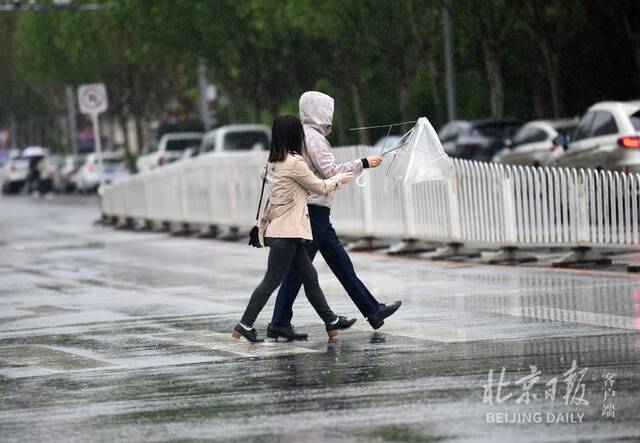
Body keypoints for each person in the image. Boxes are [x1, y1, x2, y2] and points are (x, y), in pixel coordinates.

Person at [269, 91, 401, 341]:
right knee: (299, 270)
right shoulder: (314, 137)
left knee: (339, 264)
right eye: (327, 110)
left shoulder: (304, 134)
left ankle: (373, 310)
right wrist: (363, 162)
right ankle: (279, 322)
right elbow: (330, 171)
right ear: (318, 111)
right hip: (314, 210)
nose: (331, 115)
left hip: (315, 211)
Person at [233, 115, 357, 343]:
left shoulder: (272, 162)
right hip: (287, 232)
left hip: (279, 230)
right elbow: (319, 187)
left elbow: (266, 175)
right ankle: (244, 324)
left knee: (310, 276)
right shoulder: (295, 162)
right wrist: (340, 179)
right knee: (271, 281)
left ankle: (330, 322)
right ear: (295, 136)